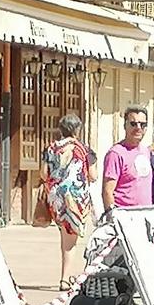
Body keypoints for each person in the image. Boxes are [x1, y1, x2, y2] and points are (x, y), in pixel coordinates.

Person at [40, 115, 97, 287]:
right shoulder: (85, 149)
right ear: (77, 130)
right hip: (76, 199)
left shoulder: (51, 149)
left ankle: (67, 275)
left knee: (65, 236)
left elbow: (43, 174)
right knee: (70, 240)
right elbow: (93, 176)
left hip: (56, 199)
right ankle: (65, 278)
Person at [101, 105, 154, 213]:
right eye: (133, 124)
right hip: (124, 217)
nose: (138, 128)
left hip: (145, 216)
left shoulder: (145, 152)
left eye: (142, 124)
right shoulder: (116, 154)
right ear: (125, 125)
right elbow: (107, 191)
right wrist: (112, 217)